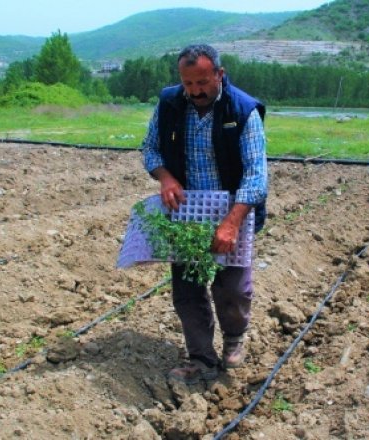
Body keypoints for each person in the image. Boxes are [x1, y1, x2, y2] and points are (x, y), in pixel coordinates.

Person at [140, 44, 268, 384]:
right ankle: (201, 359)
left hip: (232, 209)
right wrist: (165, 177)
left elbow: (256, 175)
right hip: (187, 212)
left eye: (202, 83)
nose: (195, 91)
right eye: (188, 83)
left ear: (219, 75)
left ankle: (234, 339)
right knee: (187, 289)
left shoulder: (242, 111)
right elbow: (150, 148)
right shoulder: (169, 104)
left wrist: (232, 221)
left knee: (233, 287)